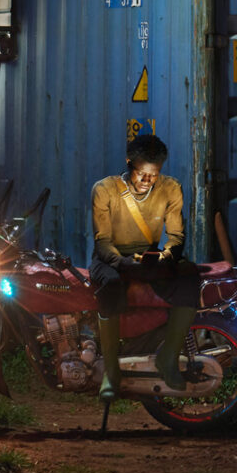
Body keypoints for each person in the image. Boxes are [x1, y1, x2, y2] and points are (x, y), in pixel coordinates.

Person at [88, 133, 200, 400]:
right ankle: (111, 371)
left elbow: (176, 236)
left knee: (189, 277)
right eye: (142, 173)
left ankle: (168, 357)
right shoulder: (104, 190)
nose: (147, 181)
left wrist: (167, 256)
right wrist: (123, 263)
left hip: (147, 256)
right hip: (110, 259)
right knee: (111, 285)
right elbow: (102, 242)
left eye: (155, 174)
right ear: (129, 163)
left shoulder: (171, 188)